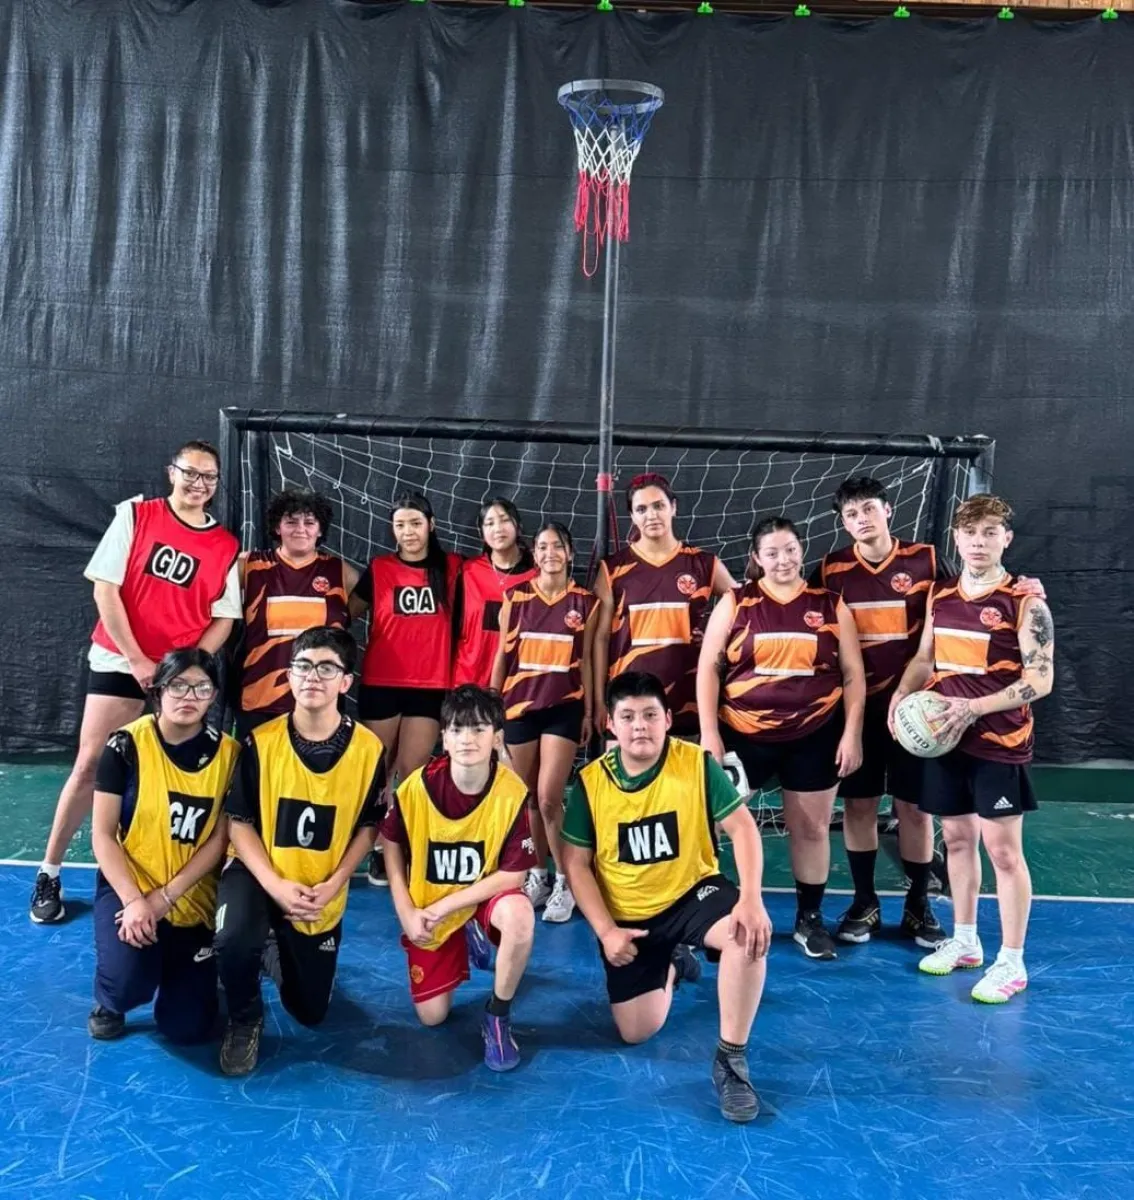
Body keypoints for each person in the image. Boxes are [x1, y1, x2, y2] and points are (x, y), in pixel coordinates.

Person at [31, 439, 241, 925]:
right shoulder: (136, 516)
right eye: (190, 472)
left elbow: (225, 618)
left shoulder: (226, 546)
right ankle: (50, 871)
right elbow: (106, 590)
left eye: (208, 476)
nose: (198, 483)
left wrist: (186, 670)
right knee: (90, 764)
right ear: (172, 472)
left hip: (179, 677)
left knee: (177, 775)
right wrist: (138, 660)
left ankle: (174, 879)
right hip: (122, 661)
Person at [561, 672, 771, 1124]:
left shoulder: (696, 764)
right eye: (628, 716)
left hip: (693, 892)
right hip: (630, 916)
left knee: (746, 935)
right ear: (610, 724)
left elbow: (742, 829)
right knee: (636, 1032)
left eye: (650, 715)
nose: (640, 725)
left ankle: (731, 1061)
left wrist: (751, 898)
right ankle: (674, 963)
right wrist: (606, 931)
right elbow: (576, 864)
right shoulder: (591, 782)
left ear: (668, 719)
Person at [890, 494, 1054, 1004]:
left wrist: (974, 708)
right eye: (970, 533)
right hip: (945, 740)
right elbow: (925, 658)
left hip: (998, 742)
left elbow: (1041, 679)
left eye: (989, 532)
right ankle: (965, 941)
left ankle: (1012, 961)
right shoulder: (941, 595)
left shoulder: (1025, 602)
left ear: (1007, 538)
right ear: (956, 539)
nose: (979, 542)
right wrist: (900, 697)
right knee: (957, 841)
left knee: (1003, 852)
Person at [215, 627, 385, 1075]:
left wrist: (335, 883)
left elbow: (368, 825)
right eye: (303, 666)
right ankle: (244, 1018)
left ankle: (272, 947)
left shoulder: (369, 749)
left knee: (310, 1011)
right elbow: (239, 823)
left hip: (318, 885)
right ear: (289, 676)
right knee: (232, 940)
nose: (313, 676)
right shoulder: (260, 741)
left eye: (327, 668)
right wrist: (274, 884)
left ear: (345, 682)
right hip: (260, 872)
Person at [697, 516, 865, 961]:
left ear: (801, 549)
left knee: (811, 828)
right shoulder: (736, 602)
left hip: (815, 734)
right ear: (757, 558)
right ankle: (709, 916)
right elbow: (709, 668)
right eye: (771, 552)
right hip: (743, 734)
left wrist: (851, 733)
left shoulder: (830, 604)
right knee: (713, 824)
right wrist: (710, 732)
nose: (783, 559)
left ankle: (809, 919)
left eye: (790, 549)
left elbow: (852, 674)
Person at [814, 476, 945, 947]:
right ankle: (865, 901)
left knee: (913, 808)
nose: (862, 519)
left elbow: (968, 596)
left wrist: (1022, 584)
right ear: (843, 523)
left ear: (888, 510)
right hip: (857, 710)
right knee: (860, 804)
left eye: (869, 508)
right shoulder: (830, 569)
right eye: (851, 514)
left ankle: (918, 903)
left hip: (913, 711)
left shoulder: (926, 560)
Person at [381, 685, 536, 1072]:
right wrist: (406, 912)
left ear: (497, 738)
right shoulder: (416, 787)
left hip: (479, 897)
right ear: (444, 737)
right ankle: (465, 934)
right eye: (458, 729)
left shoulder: (512, 792)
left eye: (479, 729)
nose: (468, 738)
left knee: (520, 916)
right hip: (430, 901)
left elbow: (515, 874)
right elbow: (391, 843)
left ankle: (497, 1015)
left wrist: (449, 906)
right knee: (432, 1017)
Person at [88, 649, 239, 1043]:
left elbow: (220, 838)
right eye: (178, 685)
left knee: (187, 1029)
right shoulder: (125, 745)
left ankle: (200, 974)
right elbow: (102, 835)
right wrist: (136, 901)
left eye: (201, 687)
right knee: (127, 986)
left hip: (192, 893)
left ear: (213, 695)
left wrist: (167, 897)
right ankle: (110, 999)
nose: (189, 696)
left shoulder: (230, 755)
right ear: (158, 690)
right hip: (130, 888)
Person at [350, 492, 461, 886]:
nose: (408, 531)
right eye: (400, 525)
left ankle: (394, 847)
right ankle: (369, 847)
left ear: (431, 525)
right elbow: (344, 612)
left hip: (430, 686)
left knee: (411, 774)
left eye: (415, 523)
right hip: (381, 682)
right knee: (376, 772)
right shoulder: (379, 568)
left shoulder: (452, 569)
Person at [491, 522, 597, 922]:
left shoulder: (586, 602)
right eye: (542, 547)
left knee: (550, 797)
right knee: (528, 798)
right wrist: (492, 706)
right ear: (533, 554)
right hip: (518, 708)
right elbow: (503, 655)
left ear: (569, 553)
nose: (549, 553)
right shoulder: (515, 597)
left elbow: (588, 662)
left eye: (557, 546)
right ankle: (538, 874)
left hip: (563, 708)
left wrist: (590, 711)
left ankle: (568, 882)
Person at [593, 474, 735, 738]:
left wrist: (716, 640)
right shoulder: (612, 569)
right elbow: (600, 639)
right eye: (641, 509)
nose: (652, 515)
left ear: (674, 507)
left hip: (688, 702)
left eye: (658, 505)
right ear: (632, 516)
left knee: (687, 765)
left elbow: (747, 611)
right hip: (629, 706)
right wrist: (600, 699)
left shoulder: (703, 563)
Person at [236, 489, 356, 738]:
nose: (301, 529)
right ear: (277, 527)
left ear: (320, 530)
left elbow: (375, 608)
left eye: (309, 522)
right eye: (291, 522)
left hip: (321, 701)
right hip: (262, 698)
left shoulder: (339, 571)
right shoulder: (249, 565)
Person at [451, 498, 537, 688]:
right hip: (468, 684)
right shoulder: (467, 572)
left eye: (504, 520)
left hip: (518, 687)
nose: (498, 528)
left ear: (518, 526)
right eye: (489, 523)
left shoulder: (537, 577)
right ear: (482, 533)